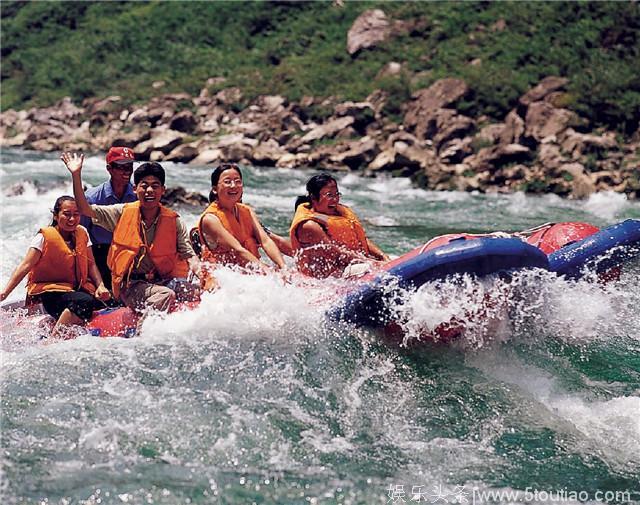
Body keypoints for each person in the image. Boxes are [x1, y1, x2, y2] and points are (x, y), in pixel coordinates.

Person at [62, 152, 201, 316]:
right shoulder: (121, 212)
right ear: (135, 189)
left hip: (161, 280)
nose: (149, 190)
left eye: (155, 186)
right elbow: (85, 209)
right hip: (130, 285)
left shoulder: (173, 220)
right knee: (165, 295)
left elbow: (189, 255)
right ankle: (144, 335)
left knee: (198, 290)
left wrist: (203, 275)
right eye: (144, 185)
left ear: (163, 190)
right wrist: (76, 175)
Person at [0, 196, 111, 338]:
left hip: (74, 290)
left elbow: (91, 264)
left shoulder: (82, 233)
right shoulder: (43, 237)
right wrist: (4, 293)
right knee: (84, 301)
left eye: (76, 214)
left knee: (110, 300)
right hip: (51, 293)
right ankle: (54, 339)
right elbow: (25, 266)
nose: (72, 219)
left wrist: (101, 286)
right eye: (66, 214)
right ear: (56, 215)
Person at [196, 163, 286, 283]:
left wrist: (283, 267)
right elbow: (238, 250)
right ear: (215, 189)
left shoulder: (247, 211)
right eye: (227, 182)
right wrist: (266, 272)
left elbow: (266, 241)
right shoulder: (210, 219)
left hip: (251, 272)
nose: (234, 186)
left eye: (238, 181)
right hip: (224, 279)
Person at [289, 174, 389, 278]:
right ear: (313, 197)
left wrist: (382, 256)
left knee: (385, 262)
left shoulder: (339, 213)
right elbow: (337, 254)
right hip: (328, 279)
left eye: (337, 194)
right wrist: (372, 263)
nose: (335, 199)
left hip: (352, 263)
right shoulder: (309, 225)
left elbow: (361, 239)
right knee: (372, 268)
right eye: (329, 195)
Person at [81, 146, 137, 291]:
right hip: (100, 255)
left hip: (130, 253)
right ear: (109, 169)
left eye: (129, 166)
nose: (127, 171)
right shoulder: (92, 198)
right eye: (121, 167)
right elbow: (80, 235)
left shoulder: (138, 195)